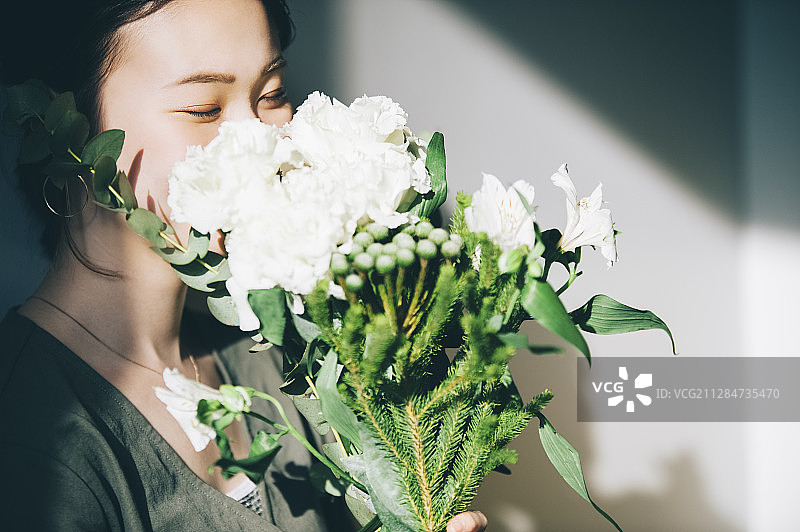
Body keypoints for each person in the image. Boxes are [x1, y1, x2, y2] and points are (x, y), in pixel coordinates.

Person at [0, 0, 488, 530]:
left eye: (272, 95)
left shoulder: (283, 353)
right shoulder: (35, 444)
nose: (260, 145)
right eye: (202, 109)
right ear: (65, 135)